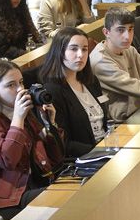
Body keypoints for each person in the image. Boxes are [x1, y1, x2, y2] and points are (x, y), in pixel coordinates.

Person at [0, 60, 65, 218]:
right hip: (5, 198)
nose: (21, 89)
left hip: (36, 183)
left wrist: (50, 124)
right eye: (11, 85)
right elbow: (8, 159)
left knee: (82, 189)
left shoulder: (23, 115)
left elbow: (57, 158)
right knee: (64, 200)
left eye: (21, 82)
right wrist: (18, 119)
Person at [39, 28, 111, 157]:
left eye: (84, 49)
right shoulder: (52, 91)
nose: (80, 55)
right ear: (60, 52)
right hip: (84, 157)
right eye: (73, 49)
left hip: (106, 148)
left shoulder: (91, 81)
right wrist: (101, 151)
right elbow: (64, 143)